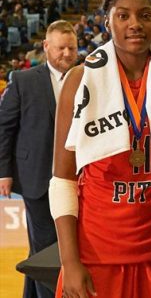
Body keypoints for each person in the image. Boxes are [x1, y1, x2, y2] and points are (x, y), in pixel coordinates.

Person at [50, 0, 151, 298]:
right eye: (123, 16)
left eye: (144, 15)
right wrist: (69, 261)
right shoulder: (78, 80)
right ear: (107, 22)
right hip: (96, 249)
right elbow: (62, 180)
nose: (135, 24)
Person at [0, 20, 78, 298]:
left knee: (43, 247)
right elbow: (4, 127)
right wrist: (3, 172)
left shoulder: (87, 79)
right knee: (47, 246)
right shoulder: (22, 80)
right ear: (46, 47)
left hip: (77, 179)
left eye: (71, 48)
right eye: (60, 48)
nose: (66, 54)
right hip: (35, 177)